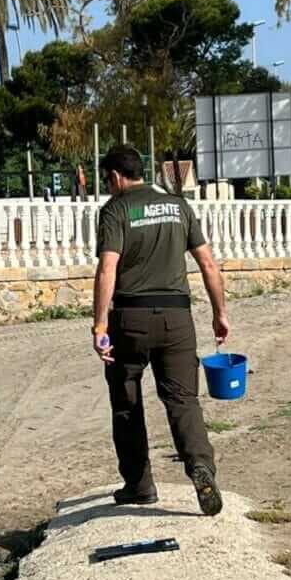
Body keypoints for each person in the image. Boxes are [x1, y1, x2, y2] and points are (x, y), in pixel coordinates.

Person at [92, 144, 229, 516]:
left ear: (117, 177)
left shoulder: (116, 209)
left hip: (130, 321)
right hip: (177, 320)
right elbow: (208, 265)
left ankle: (139, 485)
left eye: (108, 179)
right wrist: (220, 313)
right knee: (183, 399)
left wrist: (100, 323)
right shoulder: (179, 207)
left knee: (127, 402)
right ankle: (201, 467)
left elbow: (108, 269)